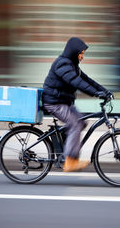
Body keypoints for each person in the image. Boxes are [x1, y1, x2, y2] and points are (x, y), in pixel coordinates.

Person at [43, 37, 112, 172]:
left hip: (63, 102)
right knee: (75, 124)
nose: (82, 56)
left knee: (82, 123)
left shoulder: (72, 65)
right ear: (74, 52)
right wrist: (96, 94)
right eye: (81, 53)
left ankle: (66, 150)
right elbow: (77, 83)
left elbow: (87, 80)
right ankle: (69, 161)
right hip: (54, 103)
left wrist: (105, 91)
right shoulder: (62, 64)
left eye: (83, 54)